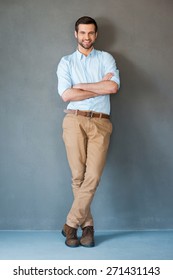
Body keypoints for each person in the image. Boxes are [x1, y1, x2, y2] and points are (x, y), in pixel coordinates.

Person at [57, 16, 120, 248]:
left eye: (91, 33)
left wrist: (80, 87)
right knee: (78, 177)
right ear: (76, 34)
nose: (87, 37)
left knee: (92, 176)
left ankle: (70, 224)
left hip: (101, 124)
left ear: (96, 34)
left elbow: (112, 87)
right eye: (82, 33)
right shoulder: (66, 62)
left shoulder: (106, 58)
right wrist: (97, 88)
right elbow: (66, 95)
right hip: (74, 121)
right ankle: (88, 228)